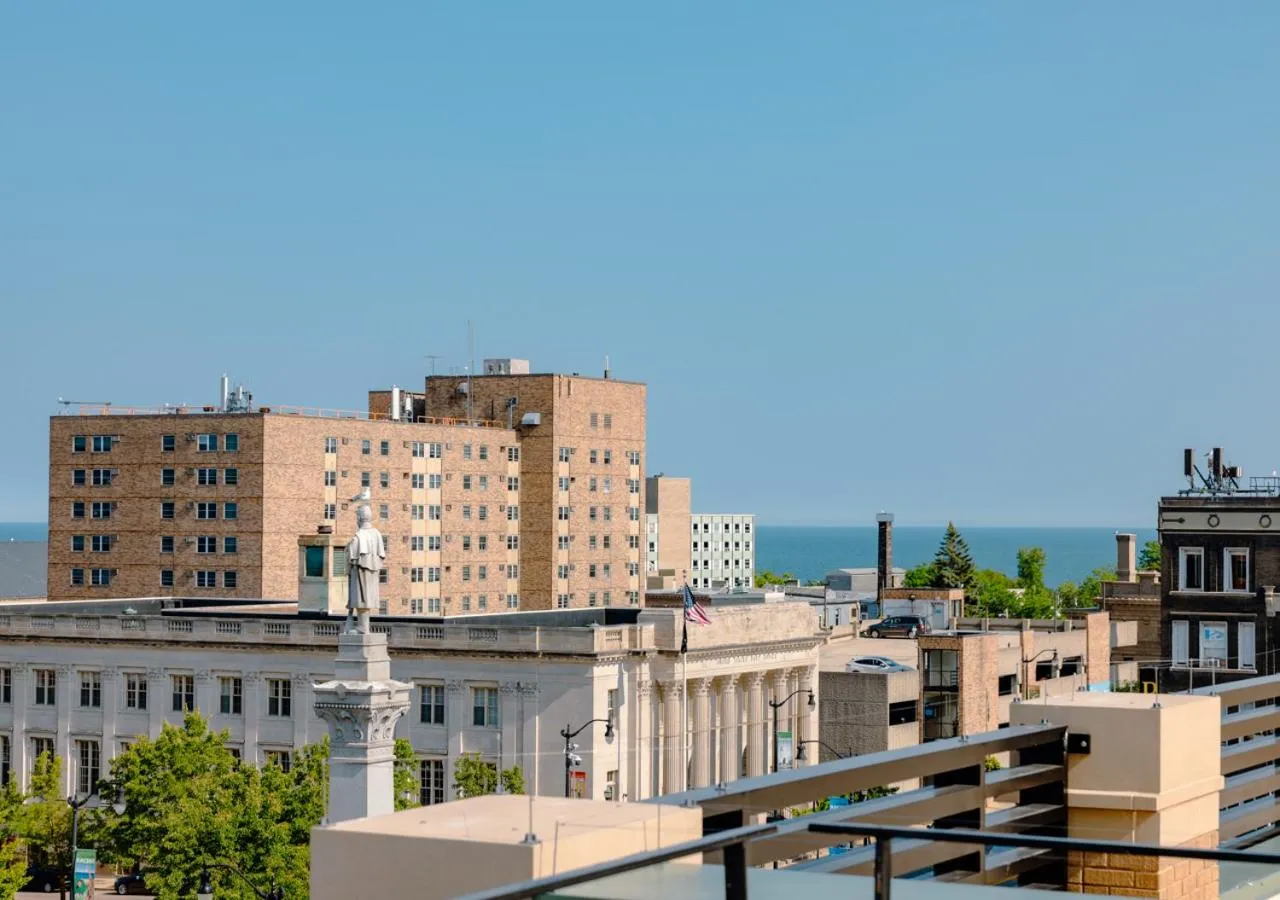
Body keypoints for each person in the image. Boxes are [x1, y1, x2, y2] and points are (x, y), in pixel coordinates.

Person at [345, 503, 385, 633]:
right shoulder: (377, 534)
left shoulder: (358, 537)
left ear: (359, 518)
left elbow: (351, 558)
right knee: (366, 599)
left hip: (360, 573)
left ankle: (363, 627)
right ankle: (364, 626)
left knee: (361, 599)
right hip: (372, 573)